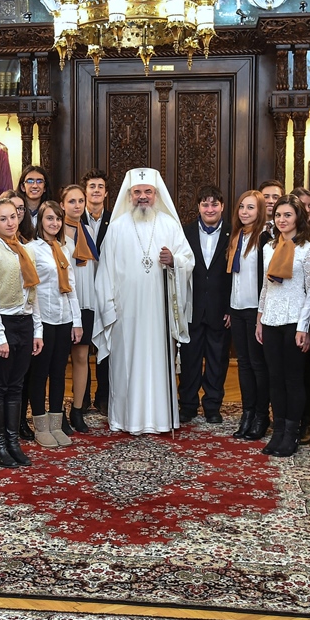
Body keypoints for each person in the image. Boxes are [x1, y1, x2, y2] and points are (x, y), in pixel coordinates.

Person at [94, 168, 194, 435]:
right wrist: (109, 308)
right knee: (126, 365)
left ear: (156, 195)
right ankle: (125, 419)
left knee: (157, 364)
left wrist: (174, 261)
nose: (142, 196)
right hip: (125, 313)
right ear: (129, 195)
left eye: (148, 191)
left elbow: (188, 260)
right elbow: (105, 272)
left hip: (158, 313)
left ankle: (160, 419)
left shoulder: (169, 225)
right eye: (137, 192)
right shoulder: (116, 228)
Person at [0, 197, 44, 466]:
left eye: (13, 217)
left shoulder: (27, 251)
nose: (10, 222)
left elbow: (34, 292)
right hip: (2, 324)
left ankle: (13, 442)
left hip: (24, 322)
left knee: (17, 385)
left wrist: (38, 330)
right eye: (3, 218)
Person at [257, 194, 310, 457]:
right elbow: (265, 285)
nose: (282, 220)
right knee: (275, 377)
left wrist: (304, 326)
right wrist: (259, 318)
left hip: (295, 319)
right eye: (278, 215)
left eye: (288, 215)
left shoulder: (308, 248)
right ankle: (278, 430)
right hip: (271, 318)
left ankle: (292, 432)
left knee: (293, 378)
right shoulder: (268, 247)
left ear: (298, 217)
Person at [26, 200, 82, 447]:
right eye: (49, 218)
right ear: (40, 221)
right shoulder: (32, 249)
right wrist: (37, 326)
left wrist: (76, 321)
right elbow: (32, 290)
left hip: (64, 318)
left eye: (58, 219)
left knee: (59, 373)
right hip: (43, 319)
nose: (55, 223)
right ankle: (41, 427)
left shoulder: (64, 248)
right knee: (40, 374)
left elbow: (72, 287)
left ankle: (57, 424)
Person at [179, 186, 231, 425]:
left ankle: (212, 406)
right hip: (192, 306)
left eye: (214, 204)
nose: (210, 209)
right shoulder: (185, 232)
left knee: (217, 360)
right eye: (205, 204)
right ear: (198, 207)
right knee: (189, 359)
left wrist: (230, 308)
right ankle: (188, 405)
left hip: (221, 308)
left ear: (222, 206)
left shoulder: (233, 232)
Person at [227, 190, 270, 440]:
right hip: (237, 306)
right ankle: (247, 413)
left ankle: (261, 415)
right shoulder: (236, 236)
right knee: (243, 363)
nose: (245, 212)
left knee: (257, 364)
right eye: (242, 207)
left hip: (256, 308)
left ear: (260, 211)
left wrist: (261, 315)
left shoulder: (265, 238)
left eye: (251, 207)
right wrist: (229, 308)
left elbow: (266, 278)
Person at [61, 183, 97, 435]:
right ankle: (58, 412)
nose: (77, 205)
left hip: (86, 302)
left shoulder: (89, 231)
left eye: (80, 201)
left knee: (82, 357)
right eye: (71, 201)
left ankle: (77, 409)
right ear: (62, 205)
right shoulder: (55, 231)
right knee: (59, 361)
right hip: (63, 304)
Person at [81, 168, 113, 417]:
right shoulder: (72, 220)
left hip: (106, 291)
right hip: (81, 292)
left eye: (100, 187)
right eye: (92, 186)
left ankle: (103, 397)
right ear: (85, 191)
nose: (96, 191)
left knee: (105, 345)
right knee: (81, 348)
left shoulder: (115, 220)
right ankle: (82, 399)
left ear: (106, 193)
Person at [17, 165, 50, 232]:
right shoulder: (16, 211)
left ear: (45, 188)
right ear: (22, 187)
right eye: (30, 181)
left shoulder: (51, 211)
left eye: (39, 181)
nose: (35, 186)